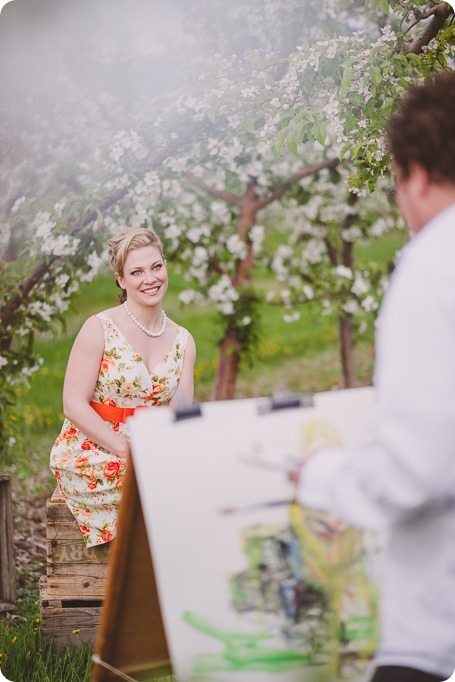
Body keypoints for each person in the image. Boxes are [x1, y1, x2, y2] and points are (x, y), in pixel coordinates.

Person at [292, 70, 455, 682]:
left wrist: (322, 476)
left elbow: (416, 471)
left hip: (436, 633)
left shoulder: (434, 266)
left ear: (414, 172)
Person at [50, 227, 196, 548]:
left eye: (156, 267)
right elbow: (73, 404)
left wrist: (167, 451)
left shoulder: (184, 341)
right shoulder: (99, 328)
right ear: (120, 279)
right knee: (145, 485)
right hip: (97, 447)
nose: (150, 278)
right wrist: (125, 450)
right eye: (137, 272)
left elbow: (181, 414)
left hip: (153, 445)